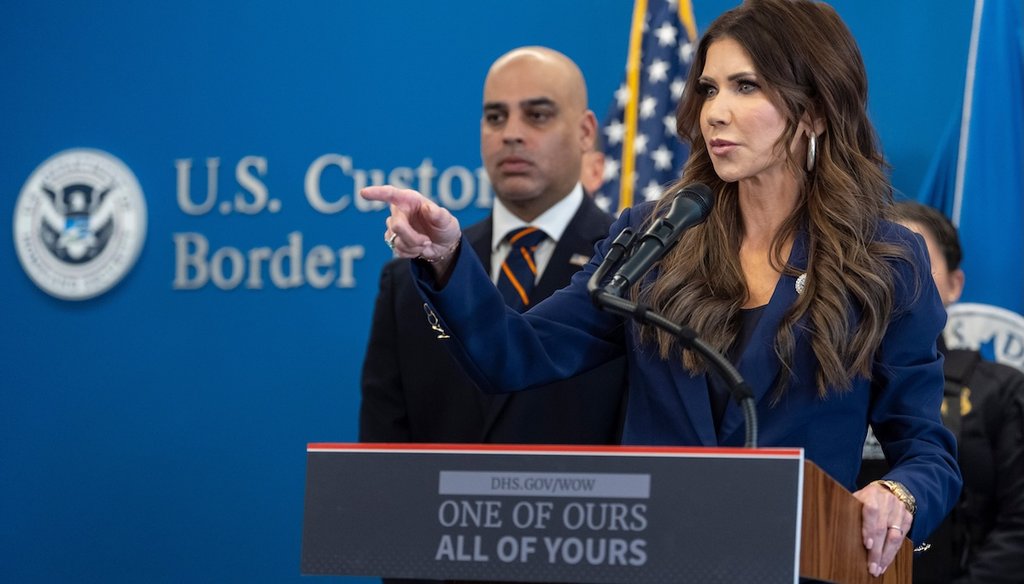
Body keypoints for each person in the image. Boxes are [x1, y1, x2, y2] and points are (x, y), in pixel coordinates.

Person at [363, 0, 961, 577]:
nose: (715, 112)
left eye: (745, 87)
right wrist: (446, 257)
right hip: (658, 566)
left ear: (814, 111)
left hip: (802, 565)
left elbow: (926, 449)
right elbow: (514, 354)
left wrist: (900, 493)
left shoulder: (884, 261)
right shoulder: (654, 237)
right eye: (709, 88)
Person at [359, 47, 627, 447]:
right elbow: (382, 459)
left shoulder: (631, 266)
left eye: (537, 115)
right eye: (495, 117)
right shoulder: (416, 277)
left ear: (587, 132)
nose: (511, 133)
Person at [859, 201, 1024, 583]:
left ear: (955, 284)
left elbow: (1018, 528)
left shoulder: (1001, 391)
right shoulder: (826, 382)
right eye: (878, 261)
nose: (893, 278)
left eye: (913, 262)